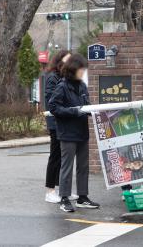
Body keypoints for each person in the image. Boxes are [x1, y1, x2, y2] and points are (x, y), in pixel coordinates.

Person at [49, 54, 100, 212]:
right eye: (81, 69)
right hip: (68, 133)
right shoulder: (62, 86)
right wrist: (74, 111)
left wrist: (92, 110)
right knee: (67, 166)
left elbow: (85, 104)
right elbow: (54, 107)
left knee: (83, 166)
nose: (83, 72)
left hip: (82, 131)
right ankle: (64, 198)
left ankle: (82, 197)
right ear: (73, 69)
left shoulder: (82, 86)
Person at [44, 50, 79, 203]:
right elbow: (53, 101)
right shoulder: (53, 78)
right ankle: (50, 191)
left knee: (67, 158)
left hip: (67, 122)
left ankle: (64, 190)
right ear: (59, 62)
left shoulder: (69, 79)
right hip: (56, 123)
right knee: (56, 156)